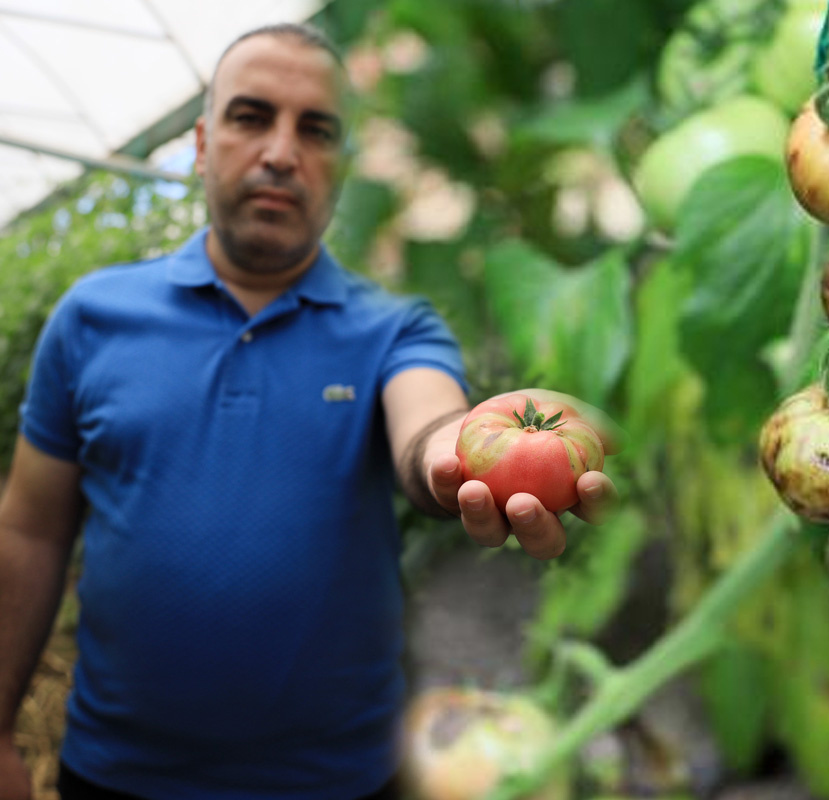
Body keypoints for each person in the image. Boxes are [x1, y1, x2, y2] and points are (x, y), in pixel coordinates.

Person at [0, 22, 620, 800]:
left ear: (342, 166)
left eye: (317, 128)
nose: (281, 151)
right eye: (251, 116)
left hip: (338, 781)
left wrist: (462, 451)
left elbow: (428, 426)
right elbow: (28, 530)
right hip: (118, 774)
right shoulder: (92, 318)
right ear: (201, 142)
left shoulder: (394, 328)